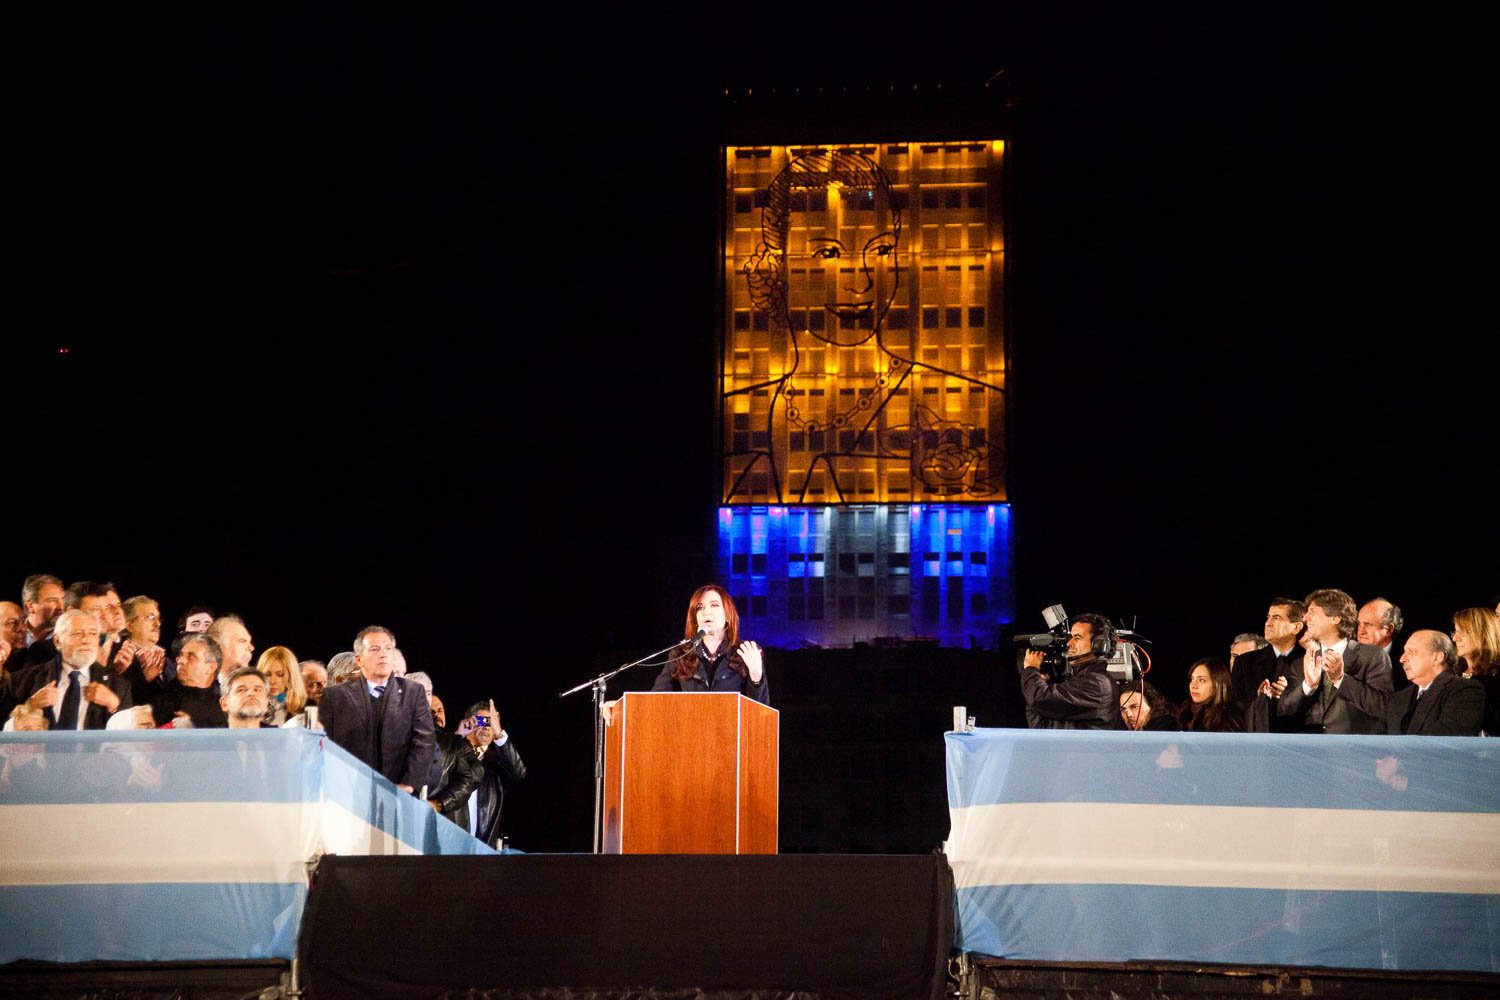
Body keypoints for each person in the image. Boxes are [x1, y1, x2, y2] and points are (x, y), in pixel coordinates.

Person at [318, 626, 434, 793]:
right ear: (359, 659)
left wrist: (408, 784)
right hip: (347, 793)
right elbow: (325, 744)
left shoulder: (413, 693)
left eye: (388, 648)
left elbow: (424, 741)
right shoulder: (334, 696)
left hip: (397, 794)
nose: (383, 654)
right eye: (375, 649)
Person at [1277, 588, 1392, 734]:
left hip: (1354, 750)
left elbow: (1382, 706)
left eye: (1312, 612)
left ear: (1335, 618)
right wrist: (1308, 687)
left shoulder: (1372, 655)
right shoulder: (1302, 663)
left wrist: (1340, 679)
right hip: (1312, 750)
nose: (1305, 618)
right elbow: (1283, 710)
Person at [1332, 630, 1483, 736]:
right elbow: (1378, 738)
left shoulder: (1465, 691)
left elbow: (1445, 743)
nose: (1402, 659)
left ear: (1437, 657)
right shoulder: (1400, 698)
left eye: (1412, 652)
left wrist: (1400, 766)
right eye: (1404, 652)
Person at [8, 609, 132, 730]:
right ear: (57, 641)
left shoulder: (118, 686)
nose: (86, 640)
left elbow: (128, 741)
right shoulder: (21, 681)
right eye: (77, 634)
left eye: (93, 634)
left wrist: (114, 706)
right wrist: (30, 706)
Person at [651, 586, 768, 704]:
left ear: (728, 615)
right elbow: (655, 701)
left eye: (714, 605)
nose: (706, 611)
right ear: (695, 619)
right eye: (700, 607)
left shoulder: (746, 652)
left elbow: (761, 713)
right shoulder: (680, 655)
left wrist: (756, 676)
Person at [1018, 613, 1118, 729]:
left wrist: (1031, 669)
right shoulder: (1079, 680)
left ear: (1099, 645)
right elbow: (1041, 726)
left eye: (1077, 638)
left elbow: (1039, 700)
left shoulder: (1097, 683)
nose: (1069, 643)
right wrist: (1038, 681)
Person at [453, 700, 526, 847]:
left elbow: (519, 773)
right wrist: (458, 737)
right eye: (481, 721)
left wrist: (499, 733)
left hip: (482, 848)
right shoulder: (454, 752)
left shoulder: (497, 764)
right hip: (450, 839)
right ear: (469, 722)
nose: (486, 727)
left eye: (490, 722)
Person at [1232, 598, 1305, 731]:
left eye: (1276, 618)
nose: (1268, 623)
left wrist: (1288, 697)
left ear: (1296, 627)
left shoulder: (1310, 661)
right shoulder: (1244, 662)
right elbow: (1236, 707)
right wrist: (1261, 701)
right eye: (1268, 617)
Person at [150, 633, 228, 728]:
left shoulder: (226, 703)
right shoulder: (162, 701)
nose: (180, 661)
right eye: (181, 655)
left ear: (211, 667)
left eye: (191, 657)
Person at [1451, 607, 1500, 736]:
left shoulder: (1495, 677)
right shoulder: (1451, 674)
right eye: (1455, 632)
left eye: (1462, 633)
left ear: (1483, 633)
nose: (1455, 638)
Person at [1178, 658, 1241, 732]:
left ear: (1217, 684)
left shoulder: (1227, 719)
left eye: (1201, 680)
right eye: (1192, 679)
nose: (1193, 685)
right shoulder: (1184, 713)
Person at [255, 646, 308, 726]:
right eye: (267, 674)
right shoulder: (250, 705)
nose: (272, 681)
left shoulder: (304, 708)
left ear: (291, 676)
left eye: (280, 675)